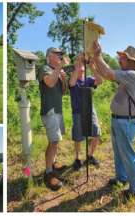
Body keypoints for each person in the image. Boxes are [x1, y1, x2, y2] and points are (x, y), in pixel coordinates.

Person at [91, 42, 135, 198]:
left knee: (128, 154)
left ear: (133, 62)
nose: (119, 60)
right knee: (120, 153)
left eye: (123, 58)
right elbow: (106, 73)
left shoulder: (133, 75)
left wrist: (97, 55)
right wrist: (95, 62)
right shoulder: (127, 75)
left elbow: (107, 73)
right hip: (119, 120)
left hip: (125, 122)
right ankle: (122, 178)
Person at [39, 47, 68, 191]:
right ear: (49, 55)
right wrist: (58, 69)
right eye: (58, 54)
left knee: (54, 140)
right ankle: (48, 173)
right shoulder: (44, 68)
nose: (61, 56)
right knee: (54, 140)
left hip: (58, 110)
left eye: (62, 55)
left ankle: (53, 164)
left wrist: (63, 78)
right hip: (49, 110)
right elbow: (49, 83)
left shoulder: (57, 70)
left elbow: (63, 91)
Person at [69, 54, 102, 170]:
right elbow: (71, 84)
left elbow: (100, 81)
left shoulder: (88, 79)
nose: (81, 64)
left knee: (96, 132)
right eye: (79, 62)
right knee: (78, 136)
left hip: (90, 110)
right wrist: (77, 65)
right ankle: (77, 159)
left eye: (83, 63)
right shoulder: (73, 78)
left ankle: (90, 156)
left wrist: (92, 66)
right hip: (78, 111)